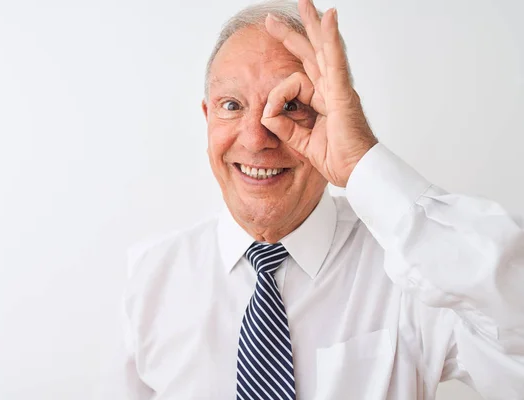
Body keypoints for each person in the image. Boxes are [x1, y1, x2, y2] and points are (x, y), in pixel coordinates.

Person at [98, 0, 524, 398]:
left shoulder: (416, 275)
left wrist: (362, 162)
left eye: (291, 105)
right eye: (232, 105)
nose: (256, 138)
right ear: (208, 117)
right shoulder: (150, 278)